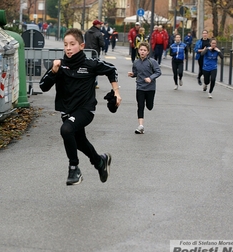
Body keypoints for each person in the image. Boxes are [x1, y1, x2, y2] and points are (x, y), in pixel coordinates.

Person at [39, 28, 121, 185]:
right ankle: (100, 162)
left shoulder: (90, 64)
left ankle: (74, 168)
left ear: (82, 46)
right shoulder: (60, 66)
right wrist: (53, 72)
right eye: (65, 45)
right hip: (67, 111)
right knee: (80, 142)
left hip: (85, 109)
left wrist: (116, 92)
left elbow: (111, 70)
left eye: (72, 44)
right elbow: (43, 86)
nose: (68, 48)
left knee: (66, 130)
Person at [128, 42, 162, 134]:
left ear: (148, 52)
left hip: (150, 88)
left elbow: (158, 72)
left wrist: (150, 78)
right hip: (140, 87)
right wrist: (132, 75)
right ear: (138, 51)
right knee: (140, 105)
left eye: (144, 50)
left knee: (149, 106)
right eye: (141, 50)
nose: (142, 52)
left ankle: (150, 104)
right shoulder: (135, 62)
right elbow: (136, 73)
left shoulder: (152, 62)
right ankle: (140, 126)